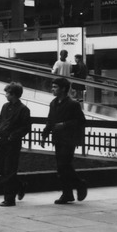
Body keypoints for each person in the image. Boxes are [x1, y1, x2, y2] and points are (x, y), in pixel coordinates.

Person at [41, 77, 88, 205]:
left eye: (55, 87)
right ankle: (68, 193)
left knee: (64, 165)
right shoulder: (53, 103)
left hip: (69, 139)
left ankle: (78, 184)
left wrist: (64, 124)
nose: (53, 89)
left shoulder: (73, 104)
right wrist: (45, 134)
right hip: (58, 138)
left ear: (63, 89)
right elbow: (50, 120)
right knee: (61, 168)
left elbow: (81, 121)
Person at [0, 82, 31, 207]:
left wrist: (13, 135)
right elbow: (1, 121)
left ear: (14, 94)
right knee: (2, 169)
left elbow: (26, 127)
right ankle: (20, 185)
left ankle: (9, 198)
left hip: (13, 142)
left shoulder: (23, 110)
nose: (6, 95)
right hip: (3, 141)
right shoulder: (5, 107)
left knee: (9, 169)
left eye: (8, 93)